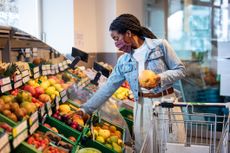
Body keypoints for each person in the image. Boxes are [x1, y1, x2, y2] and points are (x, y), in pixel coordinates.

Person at [80, 14, 186, 152]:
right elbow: (108, 88)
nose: (116, 44)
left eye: (116, 38)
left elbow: (181, 70)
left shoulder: (160, 46)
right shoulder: (123, 61)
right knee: (145, 148)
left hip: (165, 103)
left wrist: (158, 78)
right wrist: (85, 109)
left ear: (129, 33)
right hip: (142, 106)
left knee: (171, 146)